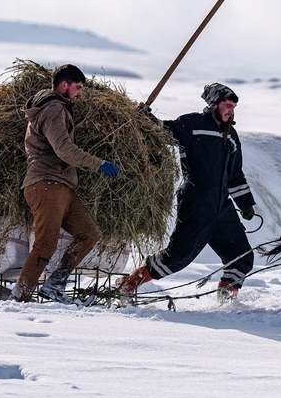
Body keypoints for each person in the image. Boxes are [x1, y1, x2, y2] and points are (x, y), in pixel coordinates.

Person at [119, 82, 256, 303]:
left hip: (222, 207)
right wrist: (146, 119)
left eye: (234, 107)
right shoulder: (192, 123)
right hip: (196, 203)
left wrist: (245, 203)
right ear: (214, 104)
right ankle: (128, 285)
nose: (231, 111)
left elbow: (235, 175)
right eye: (228, 105)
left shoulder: (231, 136)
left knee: (241, 257)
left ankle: (225, 303)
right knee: (178, 258)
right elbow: (164, 132)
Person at [15, 64, 119, 303]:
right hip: (46, 183)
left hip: (62, 185)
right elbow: (64, 150)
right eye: (78, 88)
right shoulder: (52, 109)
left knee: (89, 233)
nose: (80, 93)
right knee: (46, 244)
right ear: (64, 85)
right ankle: (19, 296)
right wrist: (98, 163)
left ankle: (54, 285)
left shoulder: (59, 108)